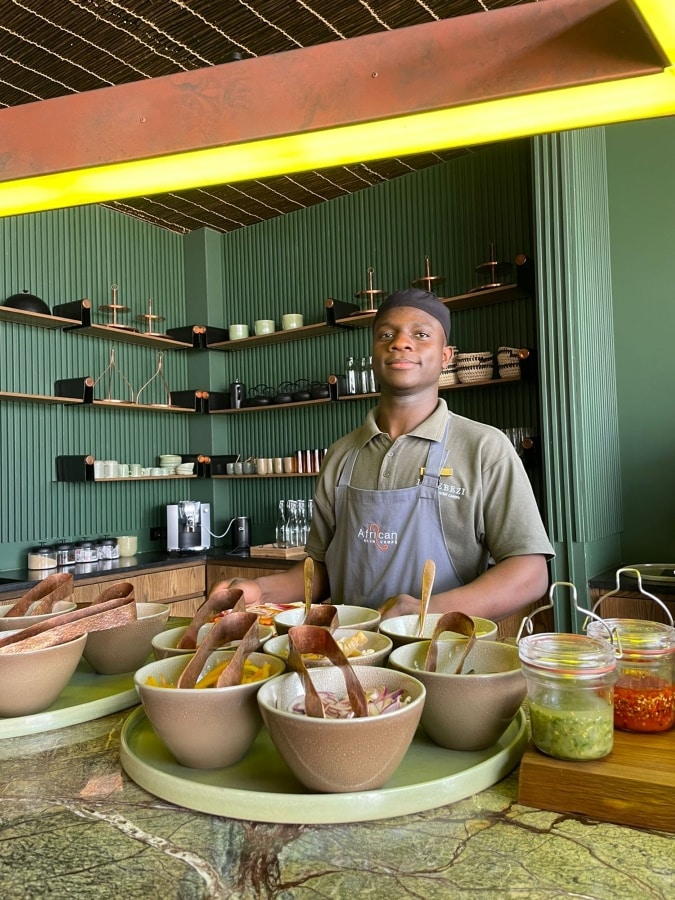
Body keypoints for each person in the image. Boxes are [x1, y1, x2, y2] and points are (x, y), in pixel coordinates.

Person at [214, 288, 553, 622]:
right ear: (374, 354)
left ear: (446, 356)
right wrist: (258, 590)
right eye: (386, 334)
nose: (401, 342)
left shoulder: (484, 448)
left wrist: (423, 612)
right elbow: (322, 570)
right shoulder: (340, 455)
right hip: (350, 657)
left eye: (420, 334)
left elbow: (530, 574)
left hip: (444, 658)